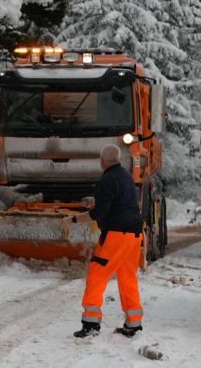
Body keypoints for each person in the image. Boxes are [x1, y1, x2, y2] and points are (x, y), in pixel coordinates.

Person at [60, 145, 145, 338]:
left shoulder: (106, 180)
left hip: (116, 236)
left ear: (102, 161)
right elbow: (119, 203)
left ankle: (91, 324)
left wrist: (72, 220)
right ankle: (133, 324)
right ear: (119, 159)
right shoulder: (126, 177)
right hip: (134, 235)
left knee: (97, 276)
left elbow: (98, 214)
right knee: (127, 278)